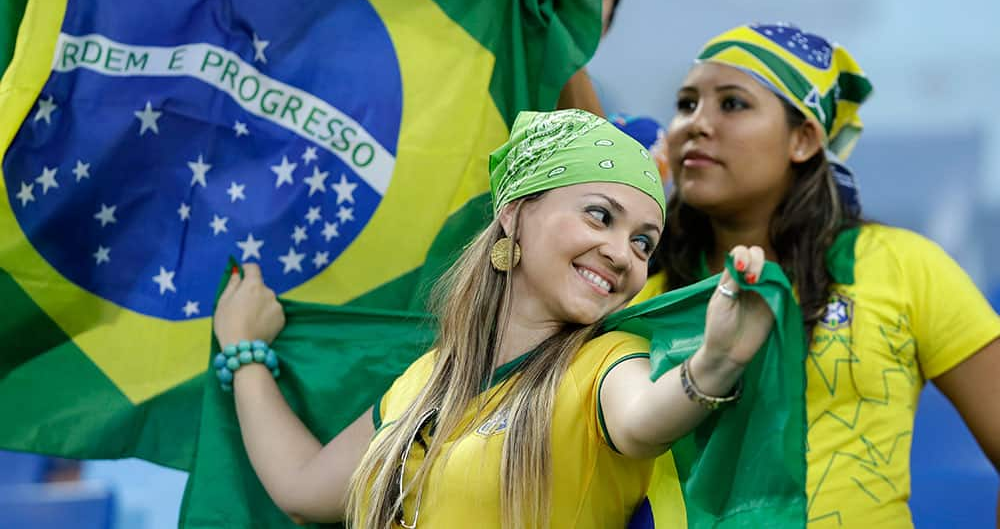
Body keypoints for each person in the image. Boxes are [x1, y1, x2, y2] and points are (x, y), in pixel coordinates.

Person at [212, 108, 777, 528]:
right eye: (599, 215)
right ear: (515, 214)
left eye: (642, 242)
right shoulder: (423, 382)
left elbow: (644, 419)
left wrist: (714, 363)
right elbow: (302, 488)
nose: (621, 253)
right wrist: (244, 352)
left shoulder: (609, 363)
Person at [633, 22, 1000, 528]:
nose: (696, 123)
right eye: (686, 103)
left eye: (733, 104)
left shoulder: (903, 266)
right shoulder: (642, 298)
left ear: (804, 138)